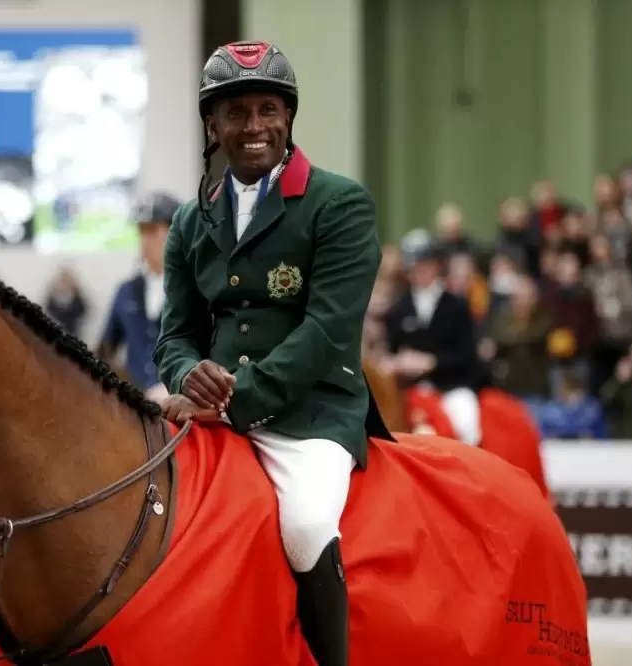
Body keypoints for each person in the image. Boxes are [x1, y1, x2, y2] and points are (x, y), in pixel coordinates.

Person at [153, 40, 391, 666]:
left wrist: (235, 400)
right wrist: (189, 376)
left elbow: (328, 331)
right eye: (236, 112)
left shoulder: (339, 205)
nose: (252, 126)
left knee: (308, 525)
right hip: (208, 410)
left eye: (266, 110)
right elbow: (174, 334)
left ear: (287, 119)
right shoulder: (188, 220)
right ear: (214, 125)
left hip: (309, 414)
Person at [383, 229, 483, 445]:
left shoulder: (457, 305)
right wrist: (397, 363)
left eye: (424, 266)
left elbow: (469, 357)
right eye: (413, 268)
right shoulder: (399, 308)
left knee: (466, 423)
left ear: (437, 265)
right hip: (413, 389)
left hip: (452, 387)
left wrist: (432, 362)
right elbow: (392, 350)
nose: (418, 273)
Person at [97, 193, 182, 400]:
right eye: (142, 231)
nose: (145, 240)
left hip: (180, 406)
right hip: (136, 406)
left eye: (153, 231)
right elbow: (105, 349)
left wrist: (177, 386)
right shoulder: (126, 291)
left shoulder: (197, 289)